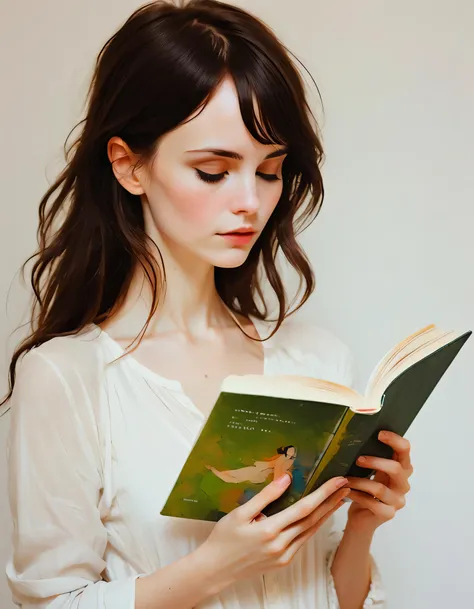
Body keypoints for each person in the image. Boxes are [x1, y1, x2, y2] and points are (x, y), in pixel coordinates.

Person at [2, 1, 413, 608]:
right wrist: (213, 569)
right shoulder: (68, 379)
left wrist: (363, 527)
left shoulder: (318, 362)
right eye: (214, 171)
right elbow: (49, 602)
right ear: (128, 165)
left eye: (270, 170)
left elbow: (336, 598)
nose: (249, 200)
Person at [207, 445, 297, 484]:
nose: (291, 453)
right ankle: (213, 470)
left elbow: (275, 470)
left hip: (258, 473)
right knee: (231, 476)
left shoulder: (283, 460)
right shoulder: (281, 459)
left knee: (232, 477)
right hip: (257, 472)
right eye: (290, 451)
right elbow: (273, 466)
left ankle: (213, 470)